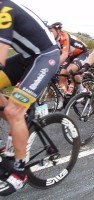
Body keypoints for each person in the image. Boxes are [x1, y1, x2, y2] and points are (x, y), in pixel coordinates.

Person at [0, 0, 60, 196]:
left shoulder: (4, 9)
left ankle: (19, 173)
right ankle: (17, 125)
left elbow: (0, 58)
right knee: (13, 113)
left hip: (45, 57)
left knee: (13, 110)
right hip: (26, 58)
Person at [48, 22, 89, 109]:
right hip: (71, 55)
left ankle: (82, 91)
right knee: (61, 75)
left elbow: (64, 55)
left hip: (82, 53)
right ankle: (62, 99)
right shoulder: (54, 40)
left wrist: (53, 66)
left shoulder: (64, 37)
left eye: (51, 31)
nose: (50, 34)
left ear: (58, 31)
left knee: (71, 70)